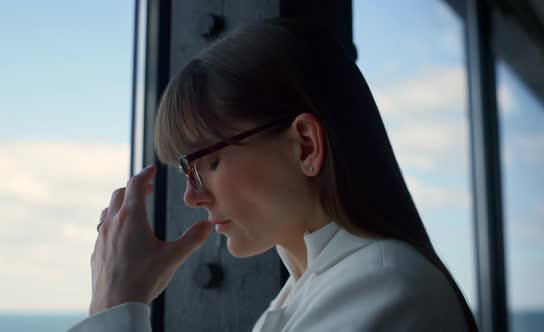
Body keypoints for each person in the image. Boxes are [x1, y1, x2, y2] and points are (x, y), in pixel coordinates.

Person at [68, 18, 478, 331]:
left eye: (207, 162)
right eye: (185, 169)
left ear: (305, 145)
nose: (192, 197)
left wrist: (113, 307)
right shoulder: (318, 289)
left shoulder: (384, 290)